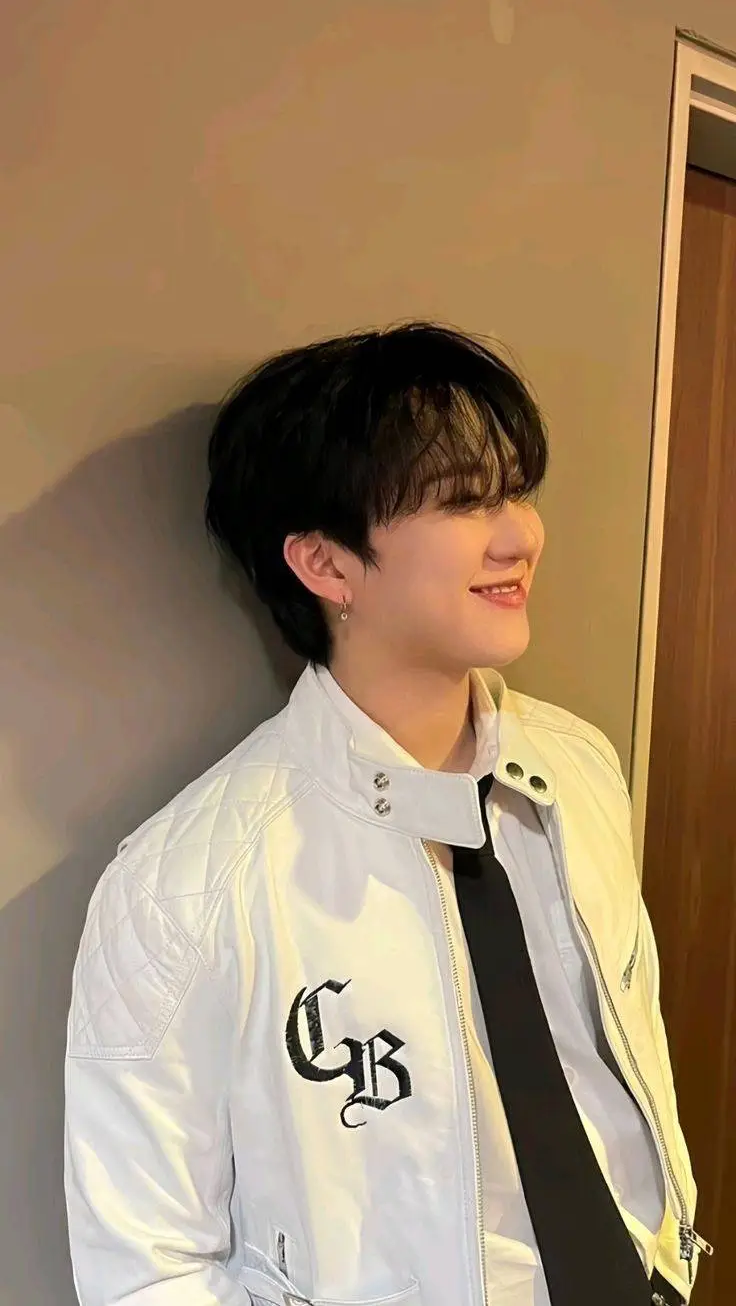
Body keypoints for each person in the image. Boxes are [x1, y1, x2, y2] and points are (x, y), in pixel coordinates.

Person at [64, 323, 706, 1306]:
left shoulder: (578, 768)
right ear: (326, 566)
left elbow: (620, 1062)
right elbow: (144, 1267)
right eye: (462, 501)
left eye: (516, 491)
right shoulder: (182, 886)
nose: (519, 536)